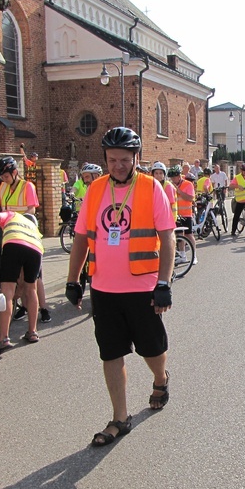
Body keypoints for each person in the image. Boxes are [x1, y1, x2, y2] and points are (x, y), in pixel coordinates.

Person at [65, 127, 175, 446]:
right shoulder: (96, 189)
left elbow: (167, 238)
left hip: (142, 286)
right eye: (112, 159)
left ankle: (160, 378)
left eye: (124, 159)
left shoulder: (150, 188)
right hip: (104, 289)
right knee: (110, 353)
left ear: (135, 158)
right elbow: (82, 238)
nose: (118, 165)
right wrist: (73, 280)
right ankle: (120, 417)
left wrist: (164, 283)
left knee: (151, 349)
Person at [0, 211, 44, 352]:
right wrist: (20, 290)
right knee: (32, 290)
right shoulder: (34, 229)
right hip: (36, 249)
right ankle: (32, 332)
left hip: (13, 244)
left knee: (7, 293)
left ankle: (3, 338)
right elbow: (23, 280)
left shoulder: (12, 214)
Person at [170, 166, 197, 264]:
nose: (173, 180)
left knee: (189, 235)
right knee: (179, 235)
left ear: (179, 176)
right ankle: (182, 255)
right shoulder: (171, 185)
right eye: (171, 178)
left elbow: (190, 198)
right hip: (176, 214)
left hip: (186, 214)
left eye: (174, 177)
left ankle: (194, 256)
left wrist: (179, 191)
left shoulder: (188, 184)